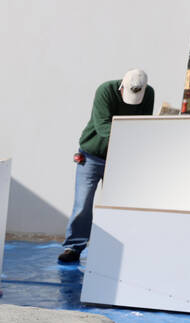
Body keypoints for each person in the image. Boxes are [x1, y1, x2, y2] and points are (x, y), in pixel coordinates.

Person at [57, 69, 154, 264]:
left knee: (117, 205)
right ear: (121, 87)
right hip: (91, 155)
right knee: (82, 203)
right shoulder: (105, 91)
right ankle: (73, 248)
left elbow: (143, 124)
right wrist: (134, 136)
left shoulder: (148, 93)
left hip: (120, 158)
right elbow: (102, 127)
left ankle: (113, 249)